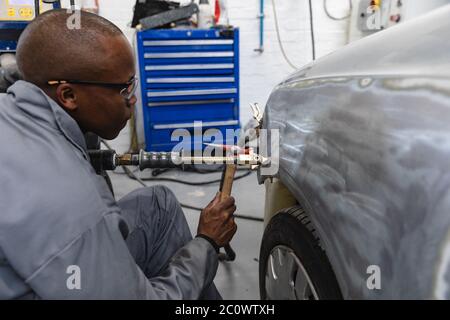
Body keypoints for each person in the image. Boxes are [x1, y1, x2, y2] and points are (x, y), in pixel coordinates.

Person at [0, 9, 237, 299]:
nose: (133, 99)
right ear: (68, 95)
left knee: (158, 204)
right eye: (124, 88)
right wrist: (207, 243)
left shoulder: (12, 104)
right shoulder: (74, 203)